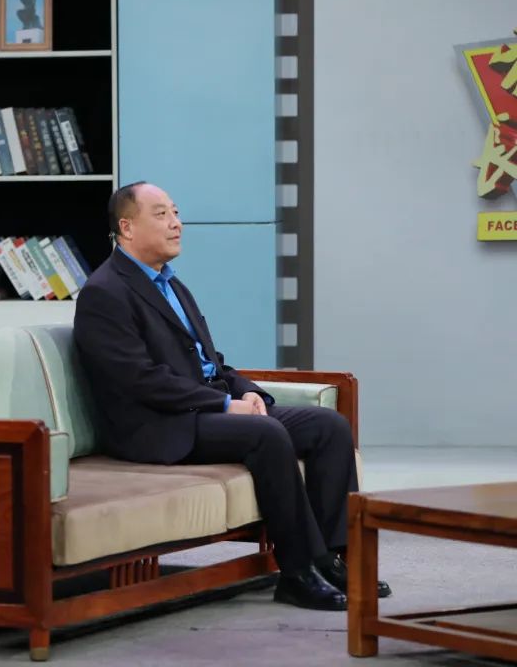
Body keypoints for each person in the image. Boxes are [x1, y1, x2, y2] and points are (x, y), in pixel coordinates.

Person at [72, 181, 391, 611]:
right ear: (126, 228)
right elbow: (140, 380)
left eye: (176, 212)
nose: (176, 223)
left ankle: (334, 559)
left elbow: (211, 361)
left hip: (200, 410)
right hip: (156, 425)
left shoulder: (172, 285)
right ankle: (297, 573)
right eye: (162, 214)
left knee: (328, 427)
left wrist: (248, 392)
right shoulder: (104, 292)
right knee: (266, 435)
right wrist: (224, 404)